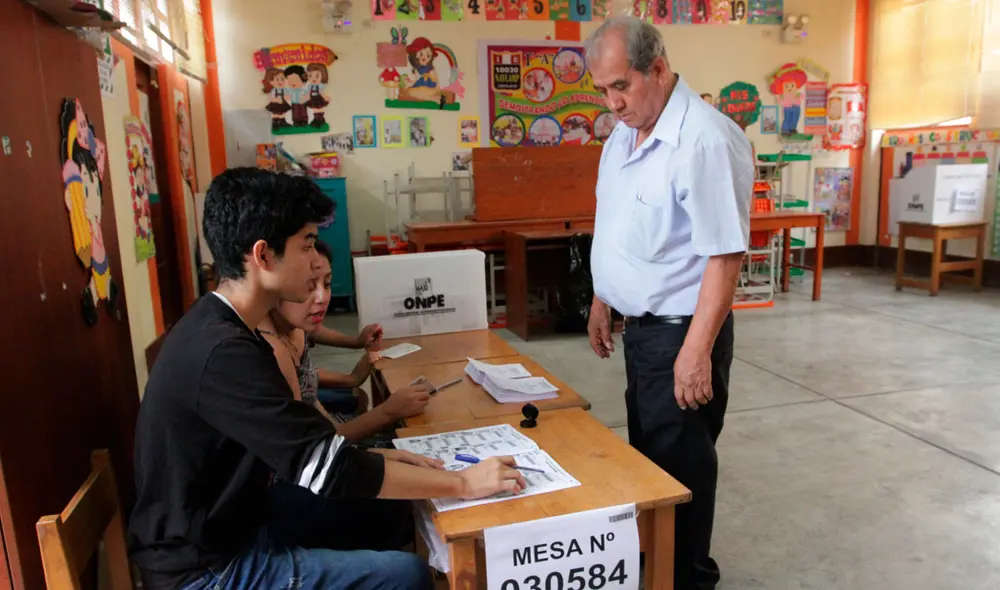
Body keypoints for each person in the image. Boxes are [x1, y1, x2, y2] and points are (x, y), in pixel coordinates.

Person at [128, 168, 527, 590]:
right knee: (407, 575)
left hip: (237, 524)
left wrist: (386, 457)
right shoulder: (223, 352)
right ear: (263, 256)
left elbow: (307, 449)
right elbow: (327, 468)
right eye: (306, 245)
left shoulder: (227, 326)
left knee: (395, 506)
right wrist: (462, 482)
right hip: (206, 568)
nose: (316, 258)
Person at [584, 17, 752, 590]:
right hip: (645, 332)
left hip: (681, 333)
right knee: (650, 465)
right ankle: (658, 573)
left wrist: (696, 350)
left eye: (621, 86)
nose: (612, 102)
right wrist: (603, 296)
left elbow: (724, 256)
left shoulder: (703, 139)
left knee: (680, 473)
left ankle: (688, 581)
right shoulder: (625, 131)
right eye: (603, 90)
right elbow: (619, 221)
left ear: (658, 67)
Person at [258, 239, 430, 438]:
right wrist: (387, 411)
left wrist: (358, 345)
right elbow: (320, 445)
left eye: (327, 283)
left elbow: (316, 335)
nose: (323, 298)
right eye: (308, 284)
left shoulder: (295, 326)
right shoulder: (273, 351)